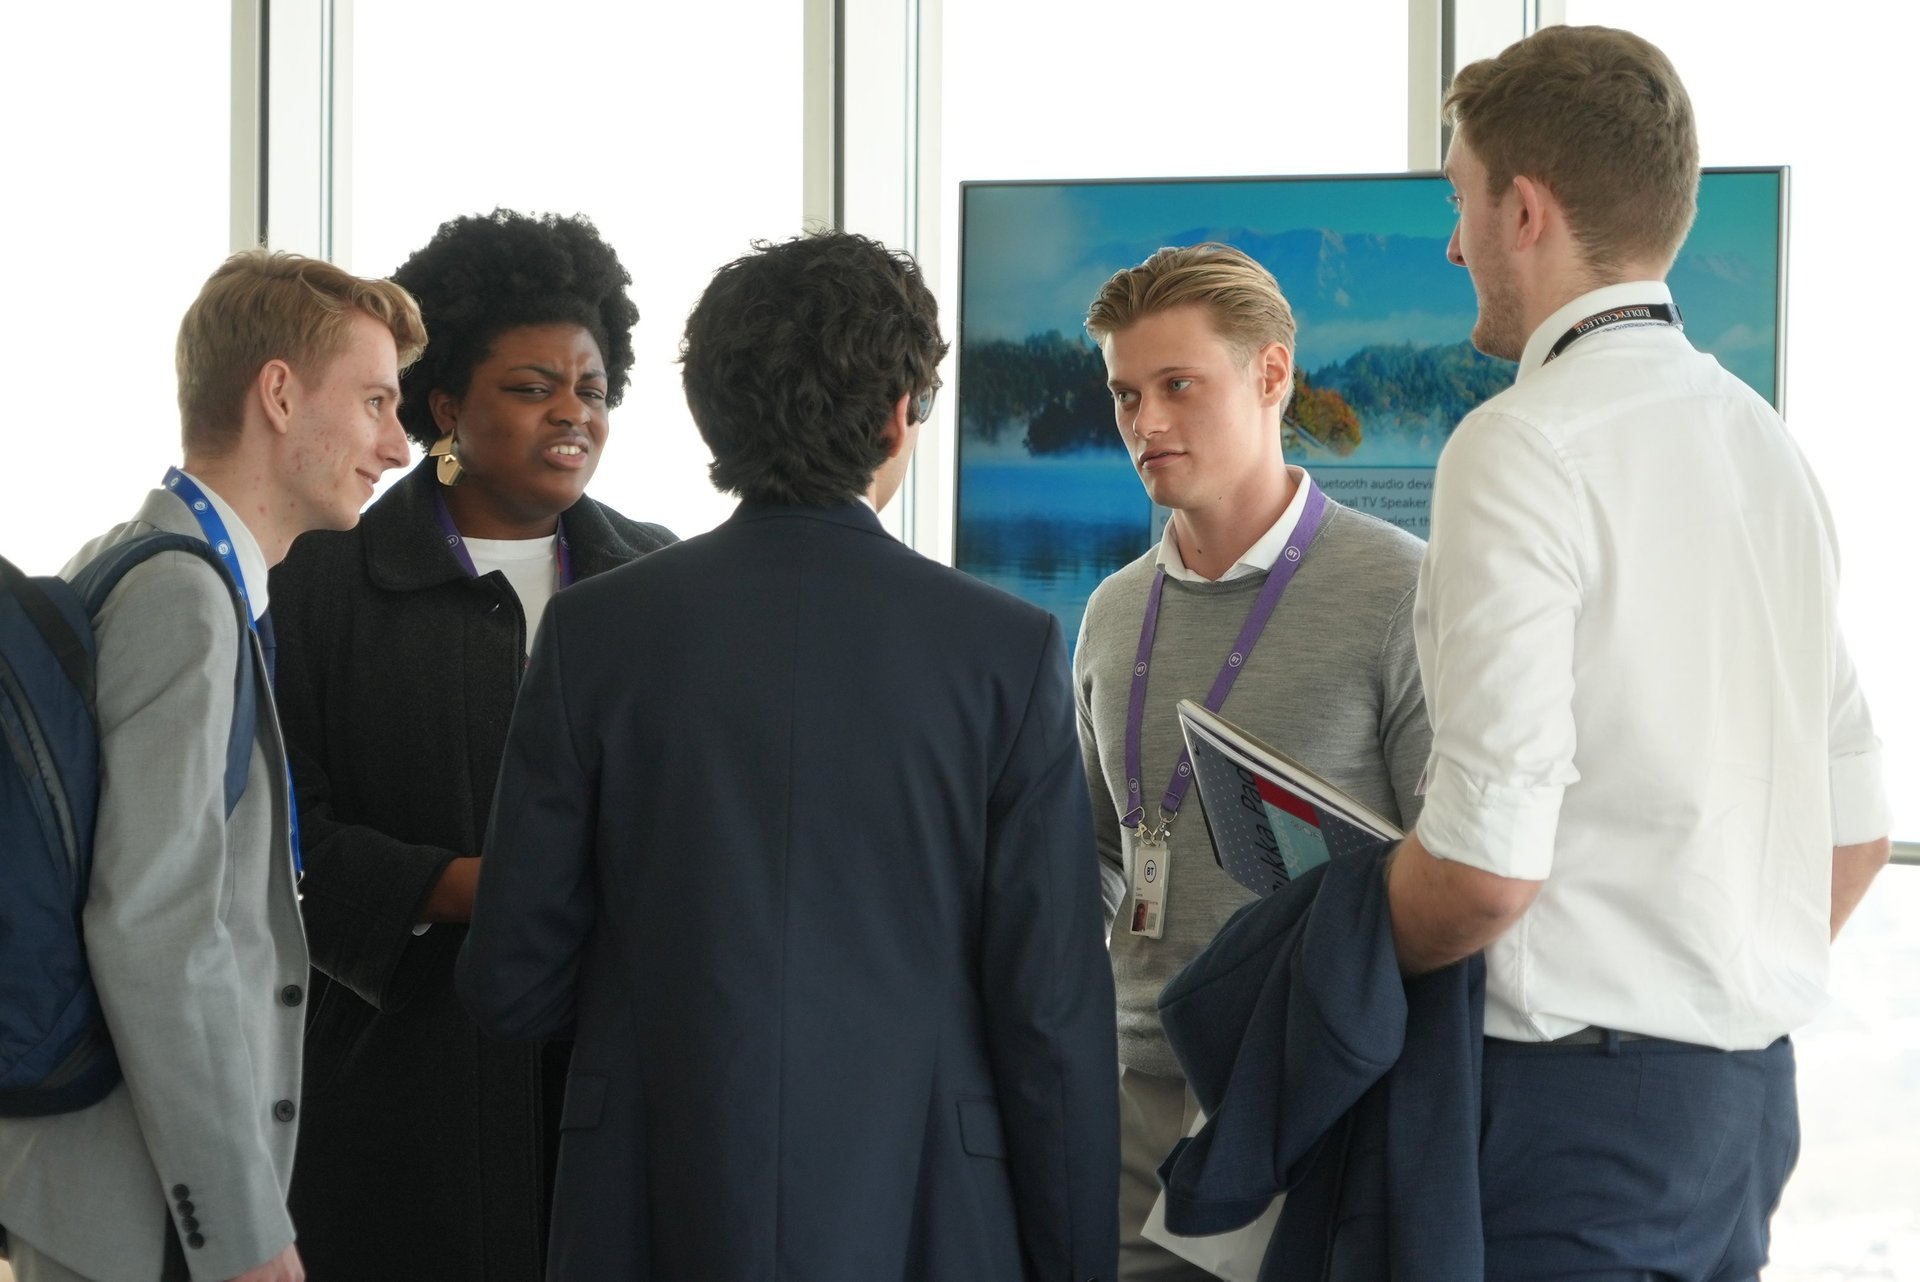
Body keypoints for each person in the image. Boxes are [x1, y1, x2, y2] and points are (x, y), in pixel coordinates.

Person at [455, 229, 1121, 1282]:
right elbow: (1049, 1019)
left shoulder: (594, 634)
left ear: (714, 412)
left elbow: (512, 983)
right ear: (902, 413)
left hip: (647, 1205)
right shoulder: (1004, 649)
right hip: (930, 1217)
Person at [1386, 25, 1893, 1277]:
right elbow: (1858, 828)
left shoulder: (1518, 447)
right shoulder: (1765, 445)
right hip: (1741, 1116)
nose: (1453, 244)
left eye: (1459, 200)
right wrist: (1705, 979)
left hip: (1569, 1127)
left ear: (1524, 209)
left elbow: (1489, 874)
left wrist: (1313, 938)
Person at [266, 210, 674, 1280]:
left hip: (615, 1072)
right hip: (397, 1082)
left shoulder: (661, 580)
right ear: (443, 404)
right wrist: (476, 887)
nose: (572, 414)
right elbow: (280, 836)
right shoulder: (321, 579)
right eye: (532, 386)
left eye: (590, 388)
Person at [0, 250, 423, 1282]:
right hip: (141, 1204)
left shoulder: (142, 557)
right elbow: (156, 924)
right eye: (374, 401)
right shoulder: (184, 599)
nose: (399, 445)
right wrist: (239, 1226)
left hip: (120, 1182)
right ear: (278, 394)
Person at [1076, 242, 1430, 1280]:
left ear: (1272, 376)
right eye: (1125, 394)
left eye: (1178, 386)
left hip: (1307, 1088)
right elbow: (1098, 853)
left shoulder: (1399, 590)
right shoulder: (1111, 611)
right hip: (1131, 1088)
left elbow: (1450, 864)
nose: (1146, 424)